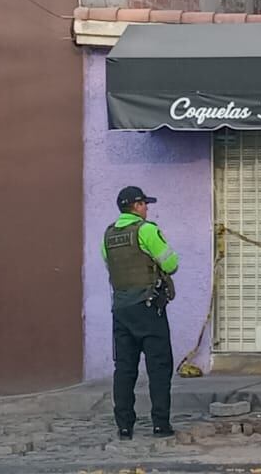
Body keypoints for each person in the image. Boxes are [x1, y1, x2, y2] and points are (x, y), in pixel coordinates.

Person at [103, 185, 180, 440]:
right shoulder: (146, 230)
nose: (147, 208)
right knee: (158, 367)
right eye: (145, 204)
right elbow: (171, 263)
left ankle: (124, 426)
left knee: (124, 369)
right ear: (136, 206)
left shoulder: (108, 235)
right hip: (148, 308)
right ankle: (160, 424)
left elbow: (110, 267)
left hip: (121, 310)